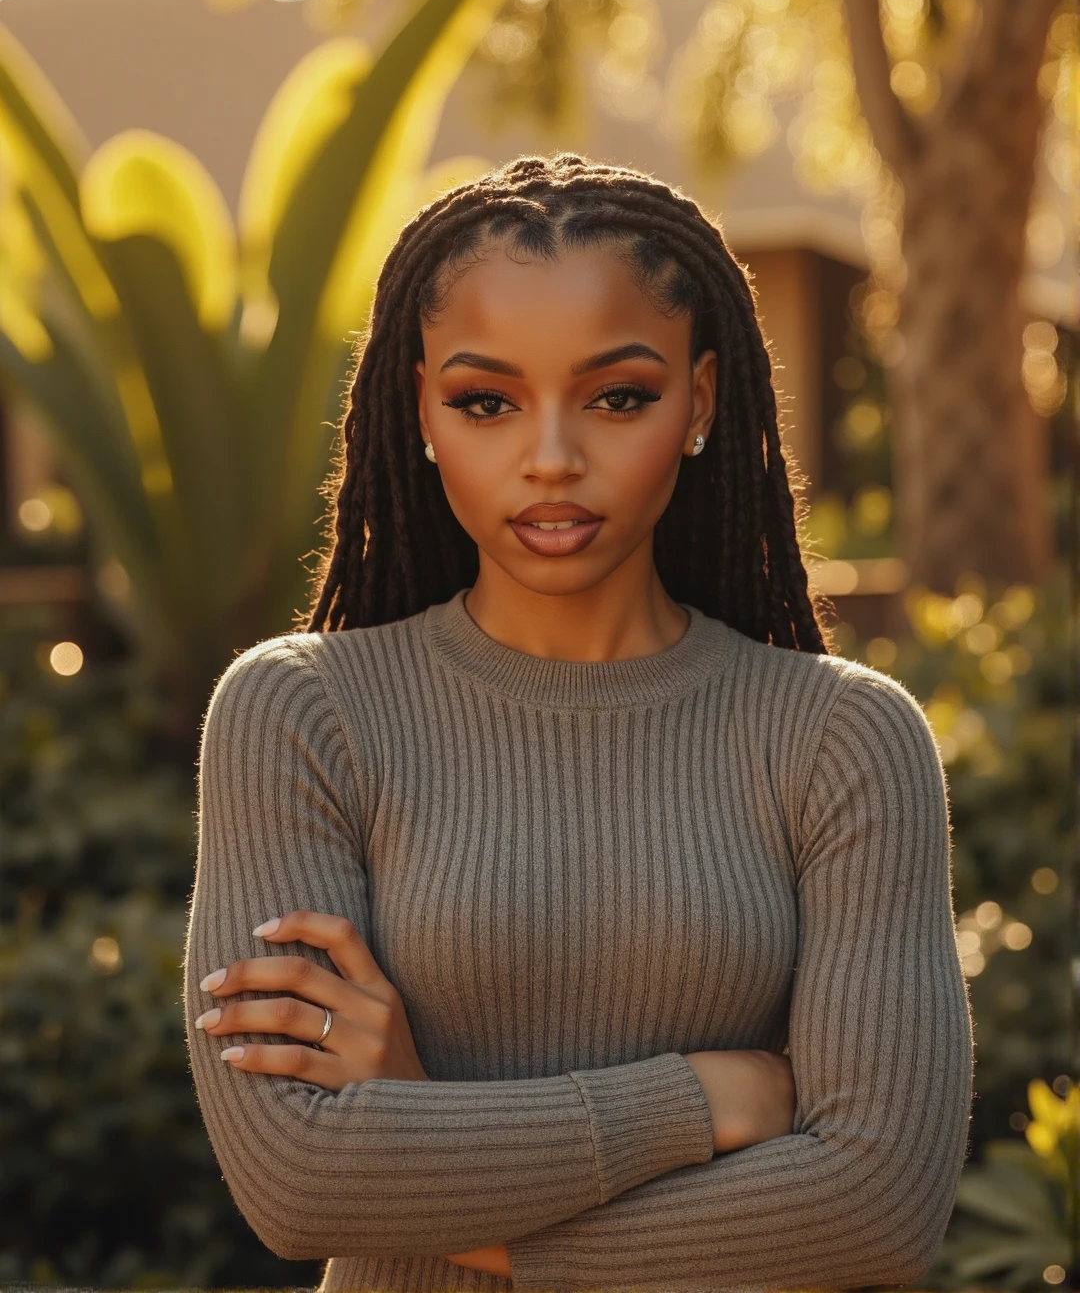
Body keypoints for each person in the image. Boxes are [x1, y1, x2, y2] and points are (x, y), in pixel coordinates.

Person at [183, 153, 974, 1293]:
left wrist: (422, 1132)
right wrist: (706, 1096)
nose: (551, 456)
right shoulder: (303, 711)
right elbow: (299, 1180)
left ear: (699, 400)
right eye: (486, 401)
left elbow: (871, 1208)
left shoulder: (843, 740)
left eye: (617, 396)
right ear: (419, 408)